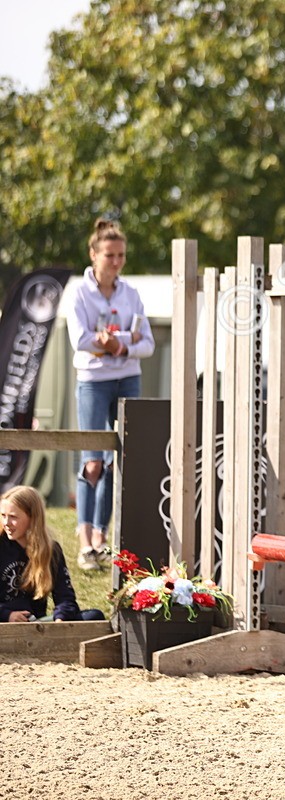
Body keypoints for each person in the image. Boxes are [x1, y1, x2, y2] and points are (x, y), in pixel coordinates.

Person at [66, 218, 155, 571]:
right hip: (92, 381)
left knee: (121, 459)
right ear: (94, 255)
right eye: (109, 255)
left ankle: (103, 538)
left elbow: (146, 343)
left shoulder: (130, 293)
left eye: (121, 255)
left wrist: (120, 345)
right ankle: (84, 539)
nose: (116, 262)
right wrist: (116, 342)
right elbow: (80, 340)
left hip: (127, 379)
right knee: (93, 462)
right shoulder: (79, 292)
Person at [0, 486, 104, 622]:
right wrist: (8, 615)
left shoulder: (51, 550)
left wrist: (60, 618)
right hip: (4, 622)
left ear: (32, 517)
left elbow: (66, 599)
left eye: (13, 517)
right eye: (3, 516)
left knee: (94, 616)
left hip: (36, 624)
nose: (6, 523)